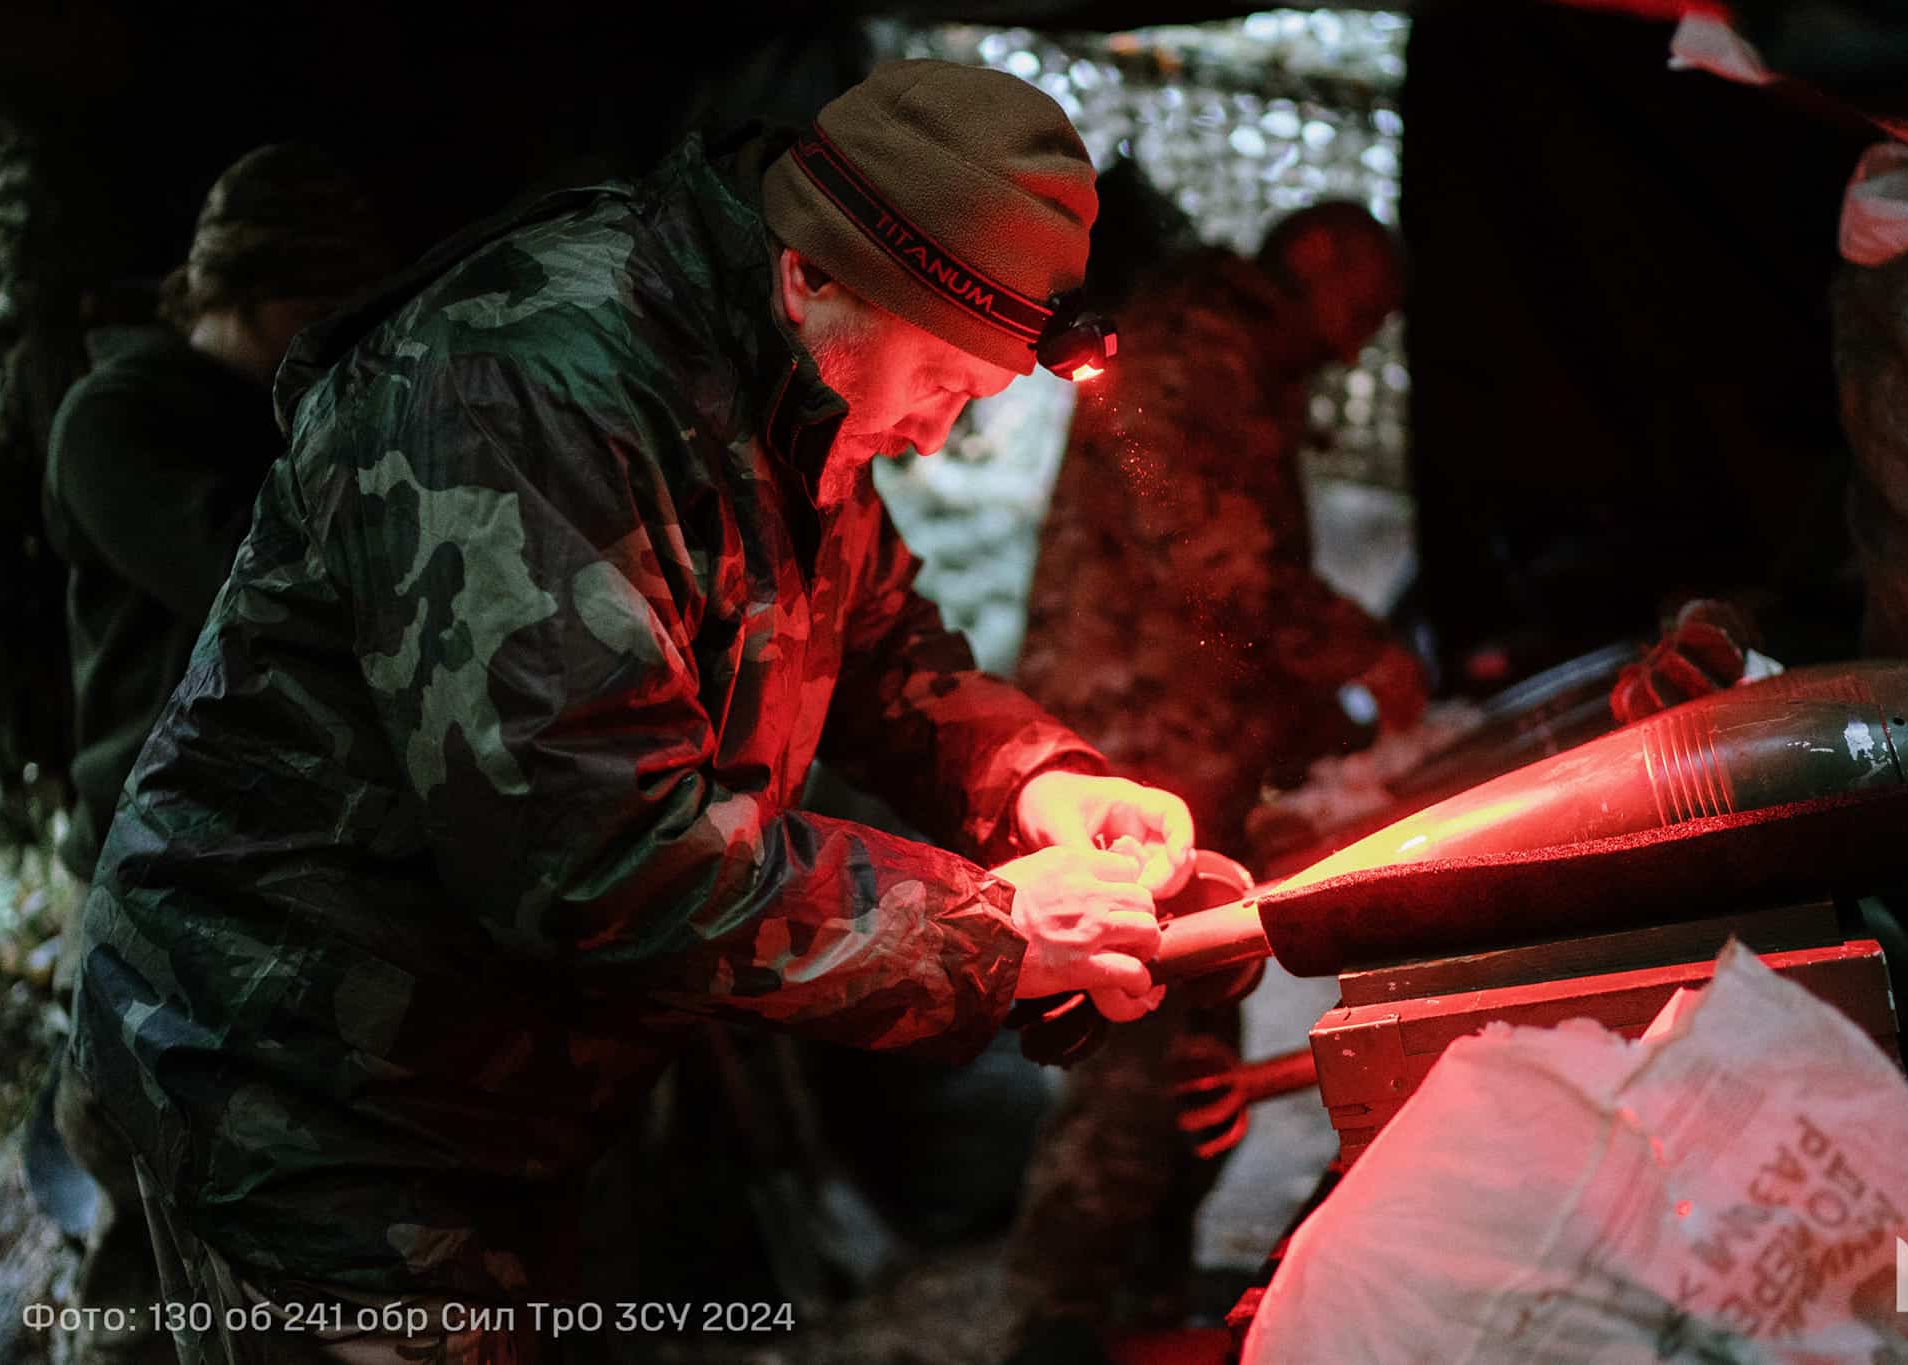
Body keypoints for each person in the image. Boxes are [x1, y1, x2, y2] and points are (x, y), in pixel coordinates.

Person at [68, 60, 1194, 1363]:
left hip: (503, 1080)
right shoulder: (524, 391)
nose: (935, 438)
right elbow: (590, 851)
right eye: (942, 382)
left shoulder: (786, 384)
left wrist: (1036, 781)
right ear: (812, 275)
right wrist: (996, 926)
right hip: (305, 1077)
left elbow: (879, 644)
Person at [1004, 169, 1424, 1354]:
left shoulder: (1240, 348)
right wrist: (1367, 659)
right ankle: (1054, 1330)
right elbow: (1216, 564)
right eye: (1368, 309)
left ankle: (1145, 1315)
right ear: (1324, 267)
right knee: (1134, 1077)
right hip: (1126, 748)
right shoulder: (1202, 340)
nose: (1364, 343)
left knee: (1194, 1059)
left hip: (1184, 743)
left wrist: (1311, 724)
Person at [37, 142, 399, 1365]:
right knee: (143, 1171)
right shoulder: (117, 418)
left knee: (238, 1197)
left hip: (258, 857)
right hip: (150, 852)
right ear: (242, 295)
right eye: (309, 306)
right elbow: (242, 585)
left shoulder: (285, 408)